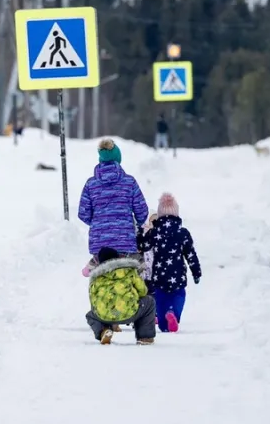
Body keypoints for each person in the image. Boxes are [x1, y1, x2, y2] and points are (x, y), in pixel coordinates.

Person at [138, 192, 203, 333]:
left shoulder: (155, 232)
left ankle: (163, 320)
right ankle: (173, 313)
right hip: (178, 275)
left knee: (161, 299)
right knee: (178, 296)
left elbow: (142, 246)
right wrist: (196, 273)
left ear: (160, 214)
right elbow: (191, 254)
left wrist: (139, 233)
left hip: (159, 275)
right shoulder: (183, 232)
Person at [77, 138, 148, 259]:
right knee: (125, 276)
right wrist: (135, 224)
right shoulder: (129, 182)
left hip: (99, 245)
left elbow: (83, 213)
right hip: (125, 242)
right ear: (118, 158)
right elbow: (142, 212)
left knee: (102, 277)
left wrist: (99, 221)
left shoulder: (91, 184)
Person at [86, 248, 157, 345]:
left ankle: (104, 330)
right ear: (118, 258)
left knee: (90, 315)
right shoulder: (129, 271)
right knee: (149, 301)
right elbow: (143, 291)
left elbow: (93, 298)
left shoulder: (96, 277)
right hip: (130, 312)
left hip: (105, 316)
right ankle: (145, 337)